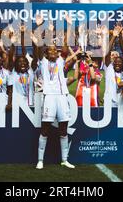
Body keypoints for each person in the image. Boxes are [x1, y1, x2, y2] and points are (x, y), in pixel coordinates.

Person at [34, 16, 75, 170]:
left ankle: (64, 159)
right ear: (46, 54)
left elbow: (65, 44)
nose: (54, 52)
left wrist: (69, 25)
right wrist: (39, 27)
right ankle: (40, 160)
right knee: (45, 129)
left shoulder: (60, 61)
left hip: (62, 97)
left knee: (63, 130)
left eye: (55, 50)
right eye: (50, 50)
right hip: (49, 97)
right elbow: (38, 46)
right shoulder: (43, 62)